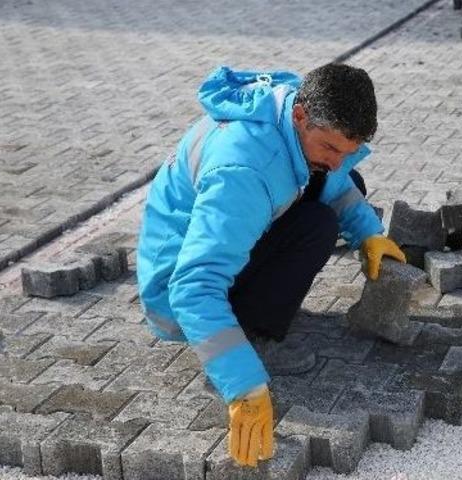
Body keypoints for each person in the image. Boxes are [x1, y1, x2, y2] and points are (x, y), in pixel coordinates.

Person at [135, 63, 405, 467]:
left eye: (345, 150)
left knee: (346, 184)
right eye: (329, 147)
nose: (336, 160)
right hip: (177, 300)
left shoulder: (289, 105)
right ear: (300, 116)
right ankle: (255, 338)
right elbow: (193, 287)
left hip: (214, 238)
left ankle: (258, 315)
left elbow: (336, 180)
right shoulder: (244, 172)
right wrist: (241, 382)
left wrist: (367, 232)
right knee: (316, 226)